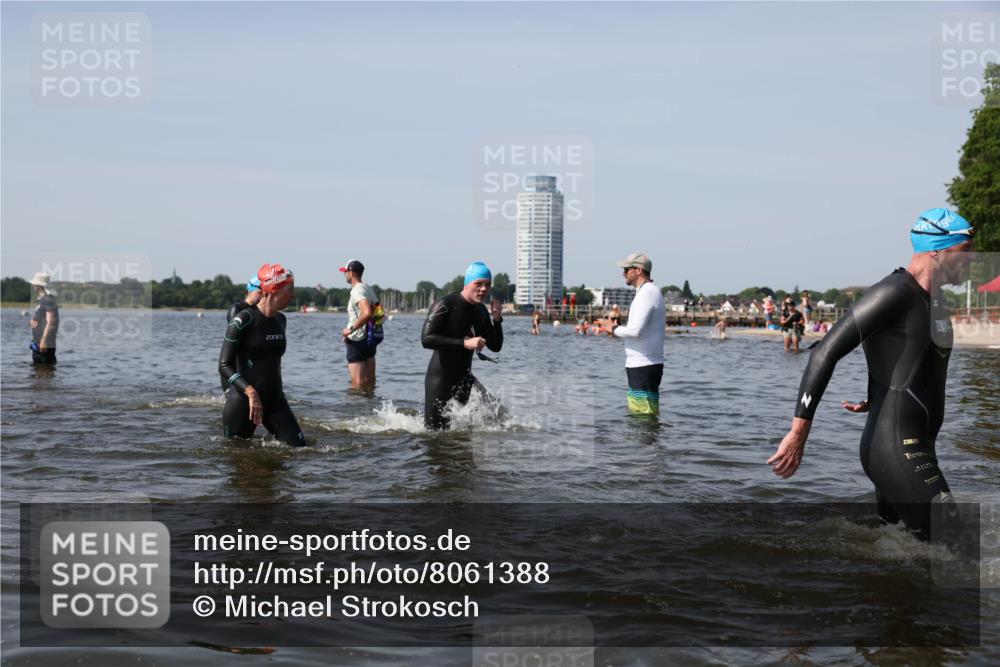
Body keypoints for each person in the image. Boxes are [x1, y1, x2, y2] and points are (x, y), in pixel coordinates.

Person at [768, 208, 975, 540]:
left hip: (917, 443)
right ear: (936, 250)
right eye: (965, 251)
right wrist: (798, 433)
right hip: (896, 446)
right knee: (957, 546)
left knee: (906, 551)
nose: (972, 259)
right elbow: (824, 352)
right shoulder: (894, 292)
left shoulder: (933, 301)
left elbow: (901, 353)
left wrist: (877, 388)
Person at [219, 263, 306, 447]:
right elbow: (224, 365)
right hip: (244, 402)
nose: (293, 295)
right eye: (289, 289)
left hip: (276, 402)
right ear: (274, 290)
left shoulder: (281, 320)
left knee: (299, 449)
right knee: (236, 456)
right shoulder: (243, 320)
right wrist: (250, 393)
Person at [421, 261, 503, 430]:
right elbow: (426, 339)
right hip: (440, 381)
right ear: (467, 284)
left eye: (488, 285)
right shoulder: (445, 304)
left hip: (464, 381)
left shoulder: (481, 311)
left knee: (494, 419)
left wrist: (497, 319)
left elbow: (495, 346)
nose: (484, 289)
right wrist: (464, 343)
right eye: (478, 283)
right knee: (434, 435)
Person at [597, 253, 666, 416]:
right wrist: (614, 329)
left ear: (639, 270)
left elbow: (636, 331)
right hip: (643, 364)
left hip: (643, 364)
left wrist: (613, 328)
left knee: (642, 418)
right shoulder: (647, 292)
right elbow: (638, 330)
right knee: (643, 416)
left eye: (627, 269)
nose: (623, 273)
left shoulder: (647, 293)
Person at [339, 260, 379, 389]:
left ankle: (358, 403)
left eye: (345, 272)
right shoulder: (368, 288)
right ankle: (370, 401)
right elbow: (379, 313)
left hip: (357, 340)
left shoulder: (357, 290)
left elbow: (367, 312)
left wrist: (350, 330)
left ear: (351, 273)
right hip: (370, 339)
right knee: (370, 381)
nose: (344, 275)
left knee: (357, 383)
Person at [219, 277, 263, 392]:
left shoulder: (258, 311)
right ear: (250, 291)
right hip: (233, 366)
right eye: (260, 292)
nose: (263, 296)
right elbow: (237, 336)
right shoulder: (237, 308)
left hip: (249, 365)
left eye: (265, 293)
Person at [28, 272, 59, 365]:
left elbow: (51, 322)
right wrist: (33, 322)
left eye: (34, 283)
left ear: (38, 285)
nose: (33, 285)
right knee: (39, 371)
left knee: (45, 371)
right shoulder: (41, 300)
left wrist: (44, 341)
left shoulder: (47, 300)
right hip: (38, 343)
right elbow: (43, 318)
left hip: (45, 344)